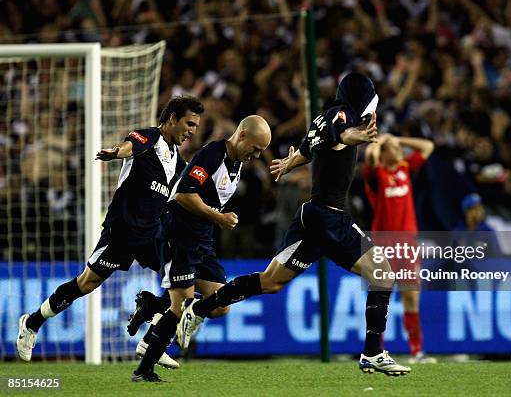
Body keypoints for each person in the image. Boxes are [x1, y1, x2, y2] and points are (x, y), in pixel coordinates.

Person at [175, 73, 410, 379]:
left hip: (315, 217)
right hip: (329, 218)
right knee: (382, 272)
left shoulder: (323, 119)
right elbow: (341, 136)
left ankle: (200, 310)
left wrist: (289, 164)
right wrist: (357, 137)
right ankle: (373, 352)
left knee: (270, 282)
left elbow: (311, 146)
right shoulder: (344, 118)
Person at [16, 95, 204, 368]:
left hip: (152, 235)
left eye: (196, 127)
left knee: (183, 283)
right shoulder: (148, 137)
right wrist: (116, 152)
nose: (192, 132)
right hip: (122, 231)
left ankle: (152, 340)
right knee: (86, 284)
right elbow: (130, 147)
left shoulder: (177, 161)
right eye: (189, 124)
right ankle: (32, 323)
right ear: (172, 119)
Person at [131, 115, 272, 382]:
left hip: (202, 240)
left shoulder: (236, 162)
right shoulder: (213, 153)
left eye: (261, 151)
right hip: (180, 235)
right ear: (241, 135)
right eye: (255, 148)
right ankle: (144, 369)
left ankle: (153, 305)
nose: (256, 155)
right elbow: (184, 194)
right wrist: (218, 217)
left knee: (220, 304)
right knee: (180, 305)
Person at [364, 133, 437, 363]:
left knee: (410, 298)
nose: (400, 151)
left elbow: (428, 145)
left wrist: (397, 139)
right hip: (384, 246)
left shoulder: (405, 168)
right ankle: (376, 352)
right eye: (394, 149)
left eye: (399, 149)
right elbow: (370, 158)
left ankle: (417, 351)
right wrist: (377, 142)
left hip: (407, 246)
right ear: (383, 153)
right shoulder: (377, 175)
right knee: (381, 299)